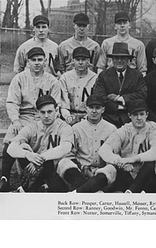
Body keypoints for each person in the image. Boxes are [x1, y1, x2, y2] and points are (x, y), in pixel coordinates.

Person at [0, 47, 61, 192]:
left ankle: (38, 180)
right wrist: (15, 120)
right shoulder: (20, 78)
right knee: (11, 138)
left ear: (45, 62)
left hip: (45, 118)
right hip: (24, 116)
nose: (37, 63)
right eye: (33, 60)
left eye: (40, 60)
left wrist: (48, 120)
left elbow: (56, 105)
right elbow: (12, 102)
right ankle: (5, 178)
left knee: (44, 143)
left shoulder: (52, 81)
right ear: (28, 61)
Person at [6, 95, 73, 192]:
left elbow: (66, 147)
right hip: (35, 172)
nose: (46, 115)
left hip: (56, 172)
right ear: (38, 112)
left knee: (49, 163)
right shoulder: (32, 127)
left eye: (49, 112)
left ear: (56, 110)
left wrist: (39, 159)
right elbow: (11, 148)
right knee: (23, 147)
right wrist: (28, 155)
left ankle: (25, 189)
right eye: (42, 112)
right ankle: (36, 187)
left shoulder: (64, 127)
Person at [98, 99, 156, 193]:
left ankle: (131, 191)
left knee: (151, 163)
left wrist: (133, 159)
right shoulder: (124, 130)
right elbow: (104, 150)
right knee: (114, 168)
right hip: (127, 173)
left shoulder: (152, 129)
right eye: (135, 115)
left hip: (146, 177)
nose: (139, 118)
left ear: (147, 115)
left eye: (142, 114)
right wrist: (120, 161)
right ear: (129, 116)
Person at [57, 95, 117, 192]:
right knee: (63, 163)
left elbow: (113, 156)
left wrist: (98, 171)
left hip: (100, 173)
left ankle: (78, 192)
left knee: (111, 169)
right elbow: (69, 155)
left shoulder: (111, 129)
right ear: (86, 109)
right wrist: (83, 168)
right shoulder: (76, 128)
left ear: (103, 109)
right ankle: (94, 191)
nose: (94, 111)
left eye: (97, 108)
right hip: (80, 172)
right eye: (91, 107)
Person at [93, 42, 147, 128]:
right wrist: (118, 107)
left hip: (131, 118)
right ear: (112, 60)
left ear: (128, 60)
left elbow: (142, 95)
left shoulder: (137, 75)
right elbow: (99, 97)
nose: (119, 61)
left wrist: (120, 99)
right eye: (116, 58)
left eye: (123, 58)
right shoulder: (104, 75)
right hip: (109, 118)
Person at [97, 11, 147, 76]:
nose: (122, 25)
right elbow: (101, 67)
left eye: (125, 23)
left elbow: (142, 70)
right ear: (115, 26)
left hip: (131, 79)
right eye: (119, 23)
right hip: (110, 78)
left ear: (129, 25)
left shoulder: (138, 44)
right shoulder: (107, 43)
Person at [59, 46, 98, 126]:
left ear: (88, 61)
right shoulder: (65, 77)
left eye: (83, 59)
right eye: (77, 59)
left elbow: (97, 104)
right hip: (69, 114)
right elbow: (63, 105)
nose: (80, 62)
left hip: (89, 116)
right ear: (73, 61)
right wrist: (68, 117)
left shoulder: (95, 78)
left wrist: (87, 117)